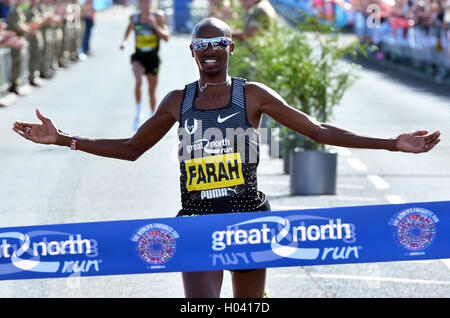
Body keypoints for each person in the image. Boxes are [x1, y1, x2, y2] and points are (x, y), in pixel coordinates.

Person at [12, 18, 441, 298]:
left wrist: (390, 143)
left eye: (218, 42)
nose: (210, 49)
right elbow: (131, 149)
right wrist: (63, 139)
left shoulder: (252, 95)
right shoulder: (177, 101)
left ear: (230, 48)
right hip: (196, 222)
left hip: (249, 218)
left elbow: (318, 130)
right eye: (203, 43)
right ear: (193, 51)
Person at [120, 0, 169, 130]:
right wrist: (124, 42)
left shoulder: (158, 16)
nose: (144, 4)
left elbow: (166, 37)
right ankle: (138, 113)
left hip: (153, 58)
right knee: (138, 82)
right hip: (139, 57)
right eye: (142, 2)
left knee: (151, 92)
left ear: (151, 3)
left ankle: (153, 118)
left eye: (147, 2)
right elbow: (128, 29)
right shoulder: (133, 18)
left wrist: (155, 26)